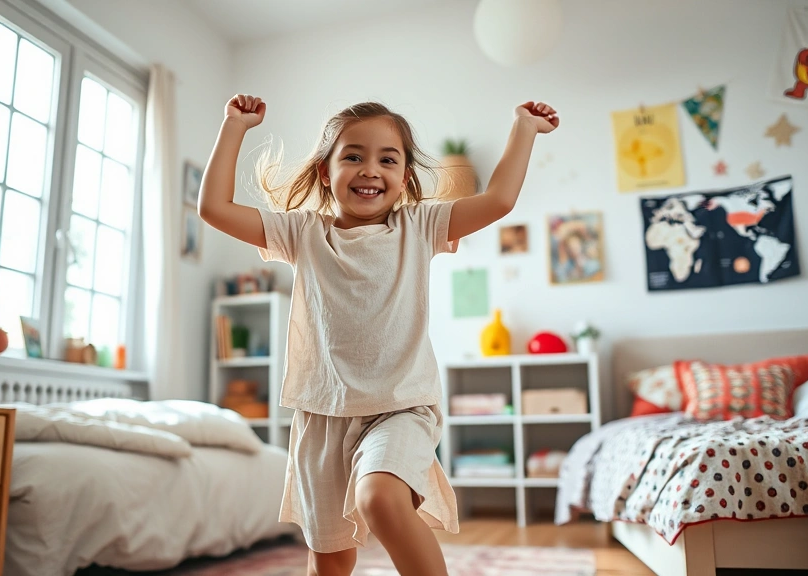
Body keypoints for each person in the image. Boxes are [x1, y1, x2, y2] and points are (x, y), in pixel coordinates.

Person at [199, 94, 558, 576]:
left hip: (400, 408)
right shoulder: (303, 234)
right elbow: (213, 208)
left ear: (405, 177)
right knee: (329, 563)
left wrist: (523, 128)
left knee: (381, 499)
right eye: (353, 156)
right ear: (326, 172)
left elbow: (498, 200)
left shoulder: (420, 225)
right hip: (322, 416)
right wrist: (234, 127)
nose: (370, 169)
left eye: (387, 159)